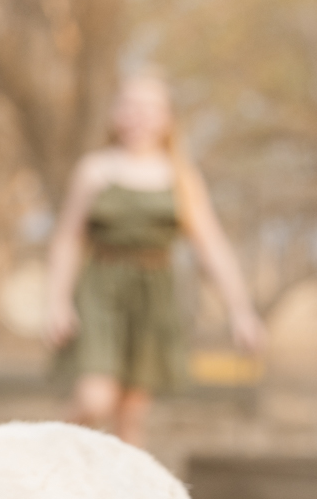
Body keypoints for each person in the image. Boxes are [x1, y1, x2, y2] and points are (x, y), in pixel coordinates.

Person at [45, 71, 264, 447]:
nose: (138, 116)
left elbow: (210, 245)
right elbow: (68, 239)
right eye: (129, 106)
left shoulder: (181, 177)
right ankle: (45, 455)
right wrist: (57, 300)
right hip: (101, 290)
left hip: (152, 294)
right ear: (115, 114)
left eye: (148, 108)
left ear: (167, 118)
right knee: (95, 398)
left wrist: (240, 309)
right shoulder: (94, 170)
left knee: (131, 417)